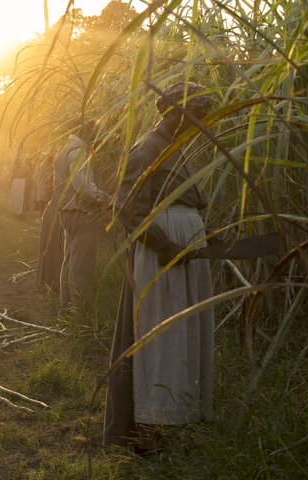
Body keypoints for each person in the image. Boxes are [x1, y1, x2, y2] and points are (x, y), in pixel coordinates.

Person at [104, 82, 216, 451]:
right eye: (194, 116)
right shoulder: (148, 148)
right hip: (161, 258)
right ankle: (153, 426)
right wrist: (166, 245)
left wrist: (199, 236)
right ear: (175, 112)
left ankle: (178, 416)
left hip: (181, 254)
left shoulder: (175, 148)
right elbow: (128, 209)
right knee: (161, 336)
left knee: (182, 334)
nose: (198, 125)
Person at [58, 119, 111, 310]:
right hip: (81, 214)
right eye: (92, 127)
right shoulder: (78, 149)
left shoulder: (66, 147)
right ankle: (79, 314)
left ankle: (66, 308)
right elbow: (81, 184)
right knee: (81, 266)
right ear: (84, 129)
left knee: (70, 261)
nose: (95, 131)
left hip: (69, 213)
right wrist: (106, 199)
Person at [36, 149, 67, 292]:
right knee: (56, 246)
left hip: (54, 211)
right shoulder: (52, 174)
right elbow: (48, 193)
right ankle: (53, 280)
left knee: (56, 247)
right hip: (55, 212)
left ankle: (53, 279)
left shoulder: (55, 173)